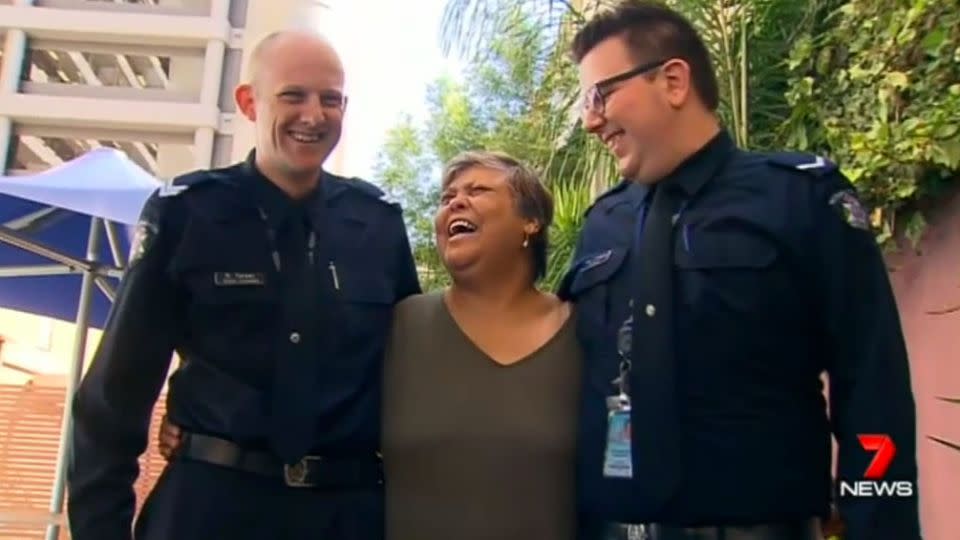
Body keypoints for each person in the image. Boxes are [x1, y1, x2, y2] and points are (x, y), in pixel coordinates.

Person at [559, 2, 921, 540]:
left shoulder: (798, 198)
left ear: (673, 81)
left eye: (600, 95)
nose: (591, 120)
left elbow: (872, 386)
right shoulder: (601, 226)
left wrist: (879, 526)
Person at [67, 29, 420, 540]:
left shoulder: (378, 224)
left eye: (331, 99)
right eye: (293, 95)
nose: (314, 115)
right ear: (249, 102)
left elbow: (410, 375)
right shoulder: (187, 214)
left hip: (345, 513)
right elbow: (112, 401)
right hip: (210, 508)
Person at [159, 150, 584, 540]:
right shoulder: (400, 325)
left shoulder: (584, 334)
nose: (454, 202)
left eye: (478, 191)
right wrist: (196, 413)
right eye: (447, 196)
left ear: (532, 221)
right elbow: (295, 369)